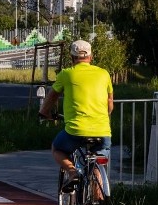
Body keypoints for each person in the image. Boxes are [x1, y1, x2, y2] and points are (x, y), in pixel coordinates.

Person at [39, 39, 114, 192]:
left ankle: (72, 173)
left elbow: (52, 97)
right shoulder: (104, 74)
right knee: (96, 166)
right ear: (91, 57)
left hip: (76, 130)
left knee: (57, 148)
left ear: (72, 57)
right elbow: (110, 104)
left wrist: (43, 113)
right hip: (103, 131)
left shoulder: (66, 74)